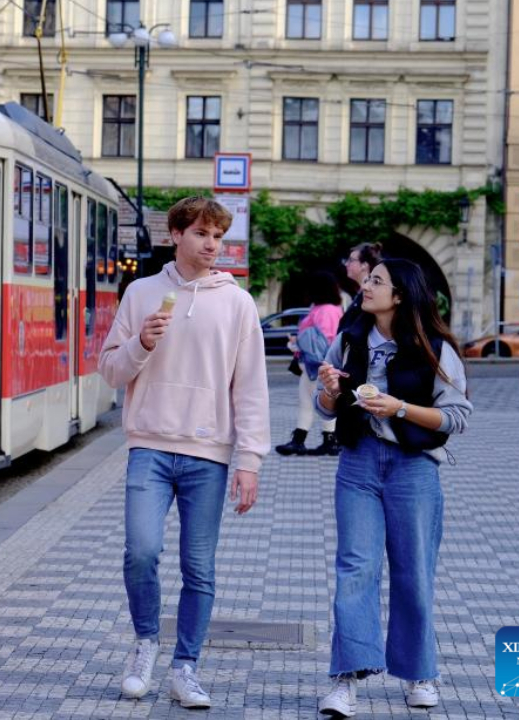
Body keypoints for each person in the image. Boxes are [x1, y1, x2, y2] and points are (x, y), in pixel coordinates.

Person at [99, 197, 270, 710]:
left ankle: (186, 667)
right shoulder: (142, 293)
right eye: (201, 233)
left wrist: (249, 460)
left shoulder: (238, 303)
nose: (212, 245)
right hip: (149, 445)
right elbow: (109, 371)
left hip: (209, 454)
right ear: (176, 234)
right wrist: (140, 346)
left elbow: (251, 387)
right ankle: (145, 646)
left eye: (218, 236)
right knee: (141, 551)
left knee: (199, 566)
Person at [313, 259, 473, 717]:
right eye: (368, 279)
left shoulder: (432, 346)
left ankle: (419, 672)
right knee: (355, 568)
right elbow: (324, 408)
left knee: (413, 571)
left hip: (413, 468)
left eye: (377, 281)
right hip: (359, 463)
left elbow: (456, 417)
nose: (366, 286)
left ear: (400, 295)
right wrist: (328, 390)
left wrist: (399, 407)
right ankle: (346, 678)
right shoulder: (348, 339)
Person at [276, 271, 344, 456]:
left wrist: (299, 343)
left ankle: (303, 441)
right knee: (314, 401)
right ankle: (325, 441)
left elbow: (323, 340)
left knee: (313, 401)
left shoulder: (325, 310)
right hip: (318, 364)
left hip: (318, 365)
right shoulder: (326, 308)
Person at [338, 242, 383, 332]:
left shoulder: (369, 295)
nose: (346, 264)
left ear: (364, 265)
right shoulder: (362, 294)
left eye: (351, 260)